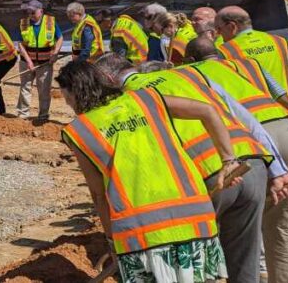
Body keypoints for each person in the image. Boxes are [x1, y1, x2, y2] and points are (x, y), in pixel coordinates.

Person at [97, 52, 288, 282]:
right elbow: (247, 119)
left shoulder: (129, 99)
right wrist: (277, 170)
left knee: (199, 262)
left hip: (209, 175)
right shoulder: (189, 75)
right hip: (251, 164)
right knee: (246, 261)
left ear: (108, 78)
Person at [58, 61, 238, 283]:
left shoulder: (80, 130)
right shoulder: (146, 99)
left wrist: (112, 241)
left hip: (141, 233)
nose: (68, 104)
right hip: (195, 217)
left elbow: (98, 195)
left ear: (76, 93)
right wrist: (229, 160)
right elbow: (207, 110)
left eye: (67, 98)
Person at [187, 35, 288, 283]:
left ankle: (255, 270)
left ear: (190, 59)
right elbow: (280, 93)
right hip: (286, 131)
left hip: (251, 141)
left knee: (243, 215)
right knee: (282, 227)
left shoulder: (188, 75)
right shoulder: (243, 63)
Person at [215, 6, 288, 111]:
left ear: (232, 26)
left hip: (262, 112)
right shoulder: (278, 41)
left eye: (219, 29)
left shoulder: (224, 51)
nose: (218, 34)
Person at [16, 0, 62, 121]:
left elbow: (60, 38)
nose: (30, 14)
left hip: (45, 63)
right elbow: (20, 44)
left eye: (33, 12)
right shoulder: (23, 23)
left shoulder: (51, 22)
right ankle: (23, 114)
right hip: (26, 62)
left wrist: (55, 53)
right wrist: (29, 61)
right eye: (28, 12)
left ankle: (43, 115)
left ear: (41, 11)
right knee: (25, 87)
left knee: (44, 90)